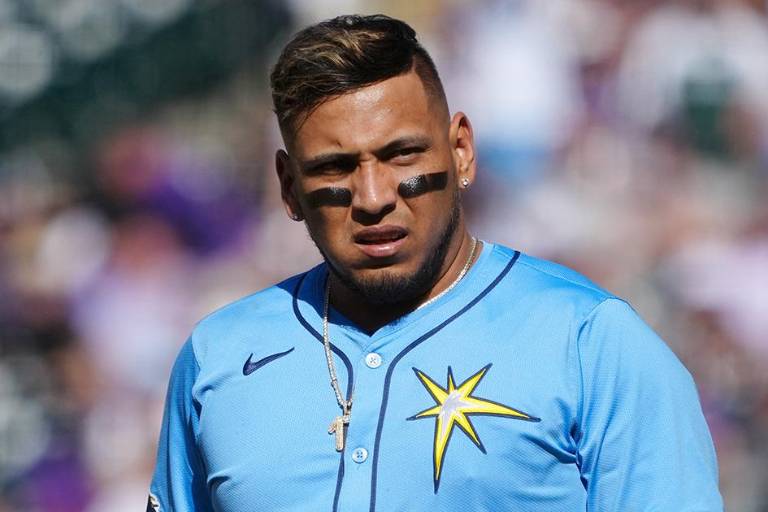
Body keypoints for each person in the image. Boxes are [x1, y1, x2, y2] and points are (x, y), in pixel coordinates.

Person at [148, 14, 723, 512]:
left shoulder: (591, 342)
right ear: (289, 186)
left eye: (402, 154)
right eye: (334, 168)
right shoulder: (217, 358)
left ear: (461, 151)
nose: (373, 197)